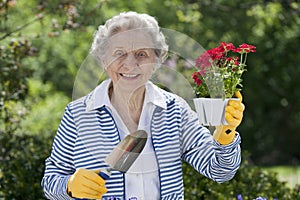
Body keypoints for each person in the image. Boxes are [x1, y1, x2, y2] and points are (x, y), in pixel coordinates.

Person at [41, 11, 244, 200]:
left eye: (141, 54)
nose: (130, 64)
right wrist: (68, 186)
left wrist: (225, 133)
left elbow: (219, 171)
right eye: (119, 53)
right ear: (104, 60)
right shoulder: (78, 114)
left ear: (157, 61)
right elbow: (51, 181)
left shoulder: (175, 111)